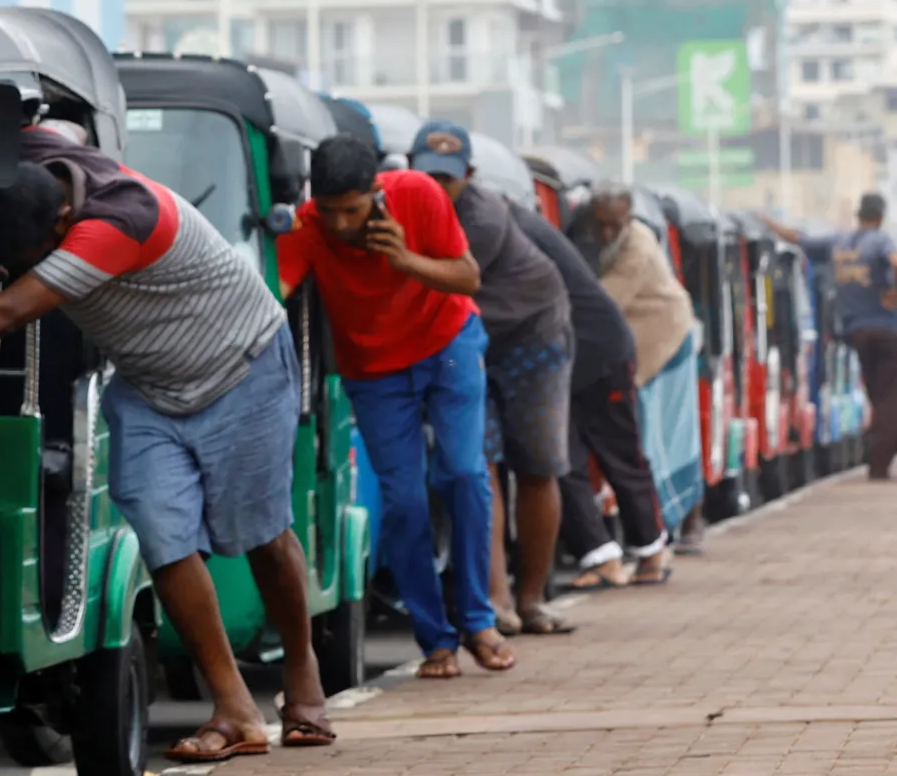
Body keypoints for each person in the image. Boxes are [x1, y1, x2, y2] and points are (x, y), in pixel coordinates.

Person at [0, 133, 336, 761]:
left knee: (264, 535)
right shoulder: (45, 159)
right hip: (151, 385)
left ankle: (302, 673)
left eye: (37, 257)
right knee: (164, 538)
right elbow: (12, 127)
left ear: (63, 221)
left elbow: (4, 314)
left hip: (244, 367)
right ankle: (235, 708)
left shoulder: (118, 223)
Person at [279, 133, 515, 679]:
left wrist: (403, 257)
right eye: (331, 211)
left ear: (376, 193)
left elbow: (468, 275)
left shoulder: (418, 193)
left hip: (450, 349)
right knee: (404, 501)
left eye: (353, 211)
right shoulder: (307, 224)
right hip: (374, 372)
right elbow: (278, 291)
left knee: (462, 471)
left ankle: (478, 620)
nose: (341, 224)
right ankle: (436, 640)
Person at [409, 123, 576, 638]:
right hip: (465, 340)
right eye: (426, 177)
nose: (437, 189)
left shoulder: (479, 218)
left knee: (537, 465)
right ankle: (495, 599)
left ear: (470, 176)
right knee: (475, 465)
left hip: (532, 336)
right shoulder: (398, 204)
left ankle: (531, 599)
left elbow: (432, 288)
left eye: (448, 180)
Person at [562, 183, 697, 583]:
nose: (607, 233)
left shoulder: (636, 246)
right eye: (601, 224)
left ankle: (655, 545)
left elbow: (595, 303)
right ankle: (629, 552)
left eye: (615, 225)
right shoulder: (579, 230)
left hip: (655, 339)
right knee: (609, 451)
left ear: (629, 216)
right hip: (599, 351)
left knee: (630, 447)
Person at [829, 193, 897, 480]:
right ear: (880, 217)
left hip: (856, 331)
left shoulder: (840, 243)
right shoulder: (881, 241)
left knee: (878, 395)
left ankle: (876, 454)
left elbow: (797, 237)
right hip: (887, 330)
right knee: (891, 399)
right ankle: (878, 465)